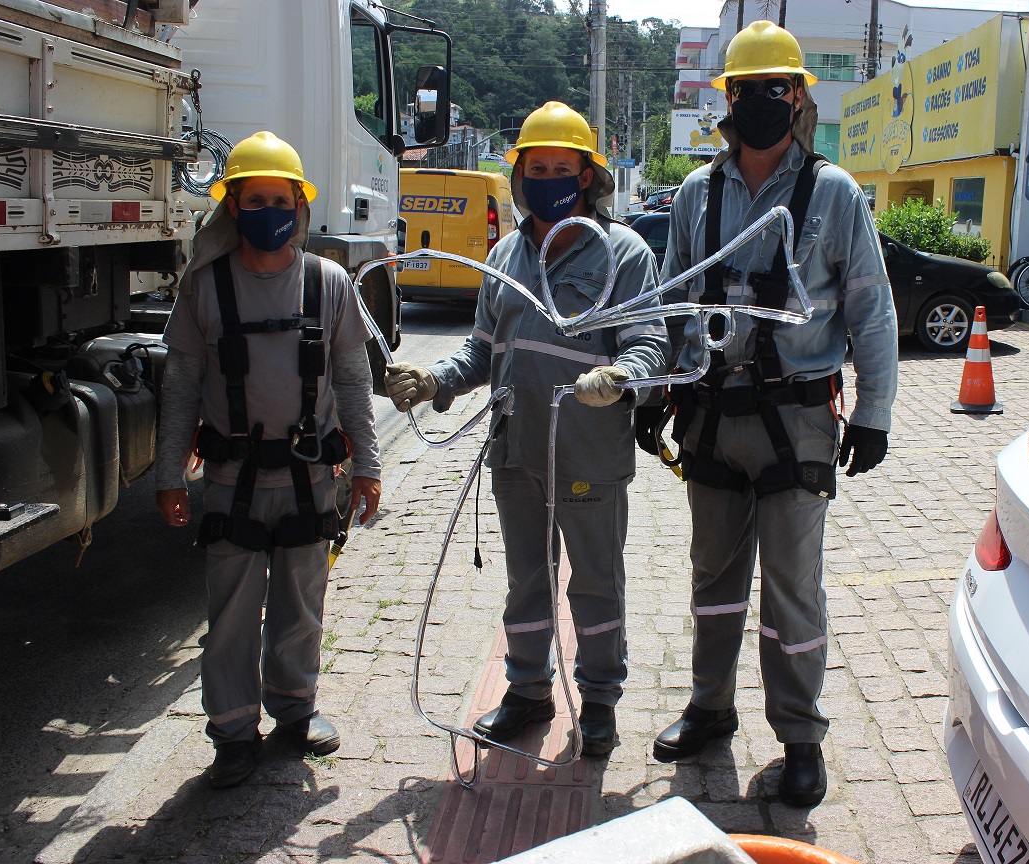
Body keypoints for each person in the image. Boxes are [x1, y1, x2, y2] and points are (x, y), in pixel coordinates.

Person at [647, 21, 899, 807]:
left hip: (799, 423)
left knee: (793, 590)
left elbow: (872, 309)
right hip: (714, 417)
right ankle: (710, 709)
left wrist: (875, 412)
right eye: (746, 88)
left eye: (776, 88)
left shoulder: (833, 193)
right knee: (713, 581)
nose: (761, 100)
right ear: (726, 98)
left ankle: (800, 736)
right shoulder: (697, 194)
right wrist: (655, 393)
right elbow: (669, 303)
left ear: (798, 98)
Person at [384, 102, 667, 757]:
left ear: (588, 176)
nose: (547, 177)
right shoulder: (507, 253)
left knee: (597, 582)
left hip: (589, 451)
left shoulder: (623, 252)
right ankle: (528, 691)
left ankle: (598, 702)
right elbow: (481, 349)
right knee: (527, 582)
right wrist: (435, 381)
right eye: (535, 167)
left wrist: (623, 375)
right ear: (517, 176)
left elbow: (651, 340)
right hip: (516, 448)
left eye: (561, 167)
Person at [155, 131, 382, 788]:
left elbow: (352, 380)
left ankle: (294, 711)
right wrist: (171, 474)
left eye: (278, 199)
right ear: (231, 206)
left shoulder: (328, 283)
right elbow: (180, 386)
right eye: (253, 199)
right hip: (232, 482)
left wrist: (367, 465)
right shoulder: (203, 288)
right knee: (228, 614)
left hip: (311, 479)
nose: (267, 211)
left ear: (298, 206)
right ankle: (231, 732)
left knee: (300, 605)